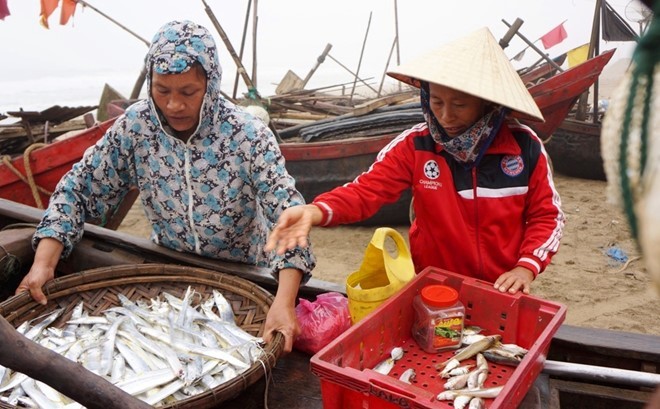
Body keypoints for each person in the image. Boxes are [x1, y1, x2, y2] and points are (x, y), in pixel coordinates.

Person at [15, 20, 315, 353]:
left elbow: (287, 216)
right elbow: (78, 190)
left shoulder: (248, 134)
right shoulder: (135, 127)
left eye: (188, 92)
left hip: (245, 277)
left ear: (211, 84)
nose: (173, 105)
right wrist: (44, 263)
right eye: (162, 90)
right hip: (167, 270)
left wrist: (284, 301)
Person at [266, 27, 564, 294]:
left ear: (488, 104)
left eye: (460, 105)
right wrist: (314, 211)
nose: (446, 116)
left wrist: (526, 266)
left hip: (503, 289)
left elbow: (546, 216)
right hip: (435, 286)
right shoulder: (416, 145)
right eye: (436, 102)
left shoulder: (523, 147)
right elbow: (365, 191)